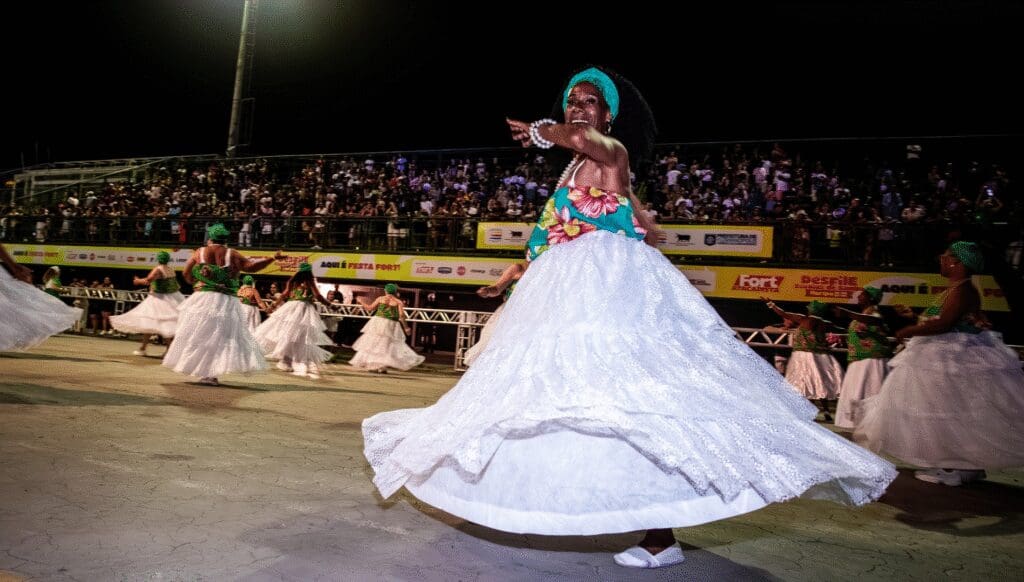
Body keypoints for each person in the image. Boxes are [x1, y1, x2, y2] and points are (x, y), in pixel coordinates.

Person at [362, 65, 895, 570]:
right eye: (573, 99)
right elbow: (560, 232)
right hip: (565, 287)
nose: (580, 108)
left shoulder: (610, 150)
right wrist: (510, 277)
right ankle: (561, 500)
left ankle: (660, 538)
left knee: (637, 403)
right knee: (558, 403)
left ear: (608, 115)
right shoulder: (575, 168)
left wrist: (545, 129)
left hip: (608, 288)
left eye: (589, 101)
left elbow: (587, 147)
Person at [855, 242, 1024, 486]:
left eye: (945, 256)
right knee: (955, 410)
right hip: (949, 352)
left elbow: (945, 324)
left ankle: (952, 466)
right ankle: (964, 465)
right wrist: (914, 318)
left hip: (951, 356)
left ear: (957, 262)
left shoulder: (962, 290)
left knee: (947, 409)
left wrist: (908, 330)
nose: (941, 259)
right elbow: (947, 320)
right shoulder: (956, 289)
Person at [162, 223, 283, 386]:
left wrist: (195, 282)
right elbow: (251, 267)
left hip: (202, 298)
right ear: (225, 239)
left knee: (198, 334)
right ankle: (211, 374)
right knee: (221, 337)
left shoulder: (200, 252)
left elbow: (186, 273)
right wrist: (273, 258)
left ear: (210, 238)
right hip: (225, 300)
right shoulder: (231, 253)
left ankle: (203, 371)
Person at [763, 299, 844, 421]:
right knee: (818, 383)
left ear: (812, 309)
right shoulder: (824, 323)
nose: (808, 308)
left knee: (804, 383)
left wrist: (771, 304)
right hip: (819, 357)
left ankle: (807, 411)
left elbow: (783, 313)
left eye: (810, 307)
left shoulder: (803, 319)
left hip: (803, 356)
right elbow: (841, 329)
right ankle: (821, 410)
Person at [254, 263, 334, 380]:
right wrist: (330, 305)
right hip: (303, 309)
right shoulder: (309, 282)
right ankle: (288, 361)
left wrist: (273, 306)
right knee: (299, 337)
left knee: (289, 335)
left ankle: (286, 360)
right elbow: (318, 296)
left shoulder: (293, 282)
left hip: (291, 307)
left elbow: (284, 294)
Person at [0, 244, 82, 352]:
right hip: (52, 297)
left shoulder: (52, 280)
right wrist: (15, 267)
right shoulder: (54, 280)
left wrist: (15, 267)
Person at [834, 286, 894, 429]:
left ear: (871, 298)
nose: (858, 296)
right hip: (859, 360)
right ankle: (859, 422)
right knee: (858, 390)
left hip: (872, 360)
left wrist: (847, 313)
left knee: (869, 390)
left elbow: (873, 321)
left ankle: (871, 423)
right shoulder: (861, 314)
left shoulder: (875, 313)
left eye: (862, 295)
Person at [109, 251, 185, 356]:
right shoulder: (170, 269)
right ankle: (143, 348)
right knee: (150, 324)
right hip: (168, 298)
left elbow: (148, 280)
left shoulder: (158, 269)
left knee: (162, 324)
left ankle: (167, 350)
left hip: (159, 299)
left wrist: (137, 281)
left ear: (158, 259)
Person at [350, 283, 423, 373]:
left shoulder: (380, 299)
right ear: (395, 292)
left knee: (375, 343)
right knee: (387, 344)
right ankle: (381, 367)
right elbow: (401, 315)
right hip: (391, 324)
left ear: (386, 290)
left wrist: (361, 301)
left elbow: (369, 308)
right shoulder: (398, 302)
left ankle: (374, 365)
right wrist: (406, 327)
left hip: (378, 322)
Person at [463, 262, 525, 367]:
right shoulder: (518, 268)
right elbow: (497, 288)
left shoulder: (550, 270)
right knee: (490, 343)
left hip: (533, 314)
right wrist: (487, 291)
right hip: (510, 312)